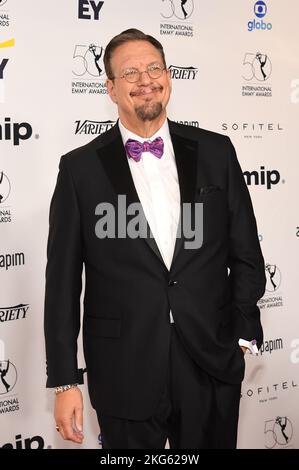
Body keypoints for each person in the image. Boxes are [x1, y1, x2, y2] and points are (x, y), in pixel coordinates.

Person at [44, 28, 266, 449]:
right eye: (130, 72)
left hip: (210, 360)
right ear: (110, 88)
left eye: (154, 68)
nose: (145, 80)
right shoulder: (79, 169)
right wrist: (64, 381)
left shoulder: (217, 152)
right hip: (122, 367)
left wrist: (241, 334)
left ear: (168, 76)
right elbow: (61, 286)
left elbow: (247, 252)